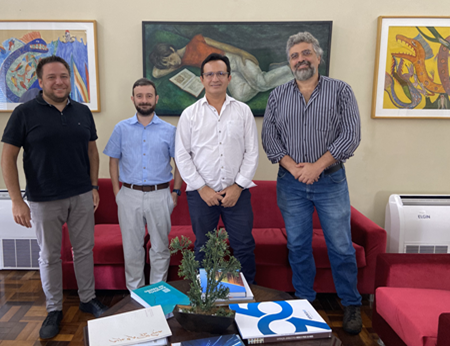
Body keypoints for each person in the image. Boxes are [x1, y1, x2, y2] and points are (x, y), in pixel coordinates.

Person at [261, 32, 362, 335]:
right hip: (291, 184)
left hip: (330, 181)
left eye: (306, 53)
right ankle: (304, 300)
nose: (300, 59)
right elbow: (269, 138)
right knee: (298, 245)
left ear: (318, 57)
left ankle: (351, 303)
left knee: (341, 246)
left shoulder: (341, 91)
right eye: (294, 56)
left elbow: (351, 135)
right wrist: (296, 169)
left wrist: (316, 167)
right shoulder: (278, 95)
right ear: (289, 62)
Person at [0, 56, 108, 340]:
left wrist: (94, 185)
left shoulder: (83, 112)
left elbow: (92, 152)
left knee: (84, 250)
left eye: (63, 76)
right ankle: (54, 310)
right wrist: (16, 200)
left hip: (82, 195)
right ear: (40, 82)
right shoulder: (23, 113)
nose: (59, 81)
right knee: (49, 256)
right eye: (52, 77)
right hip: (43, 199)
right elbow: (8, 158)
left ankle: (88, 298)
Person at [175, 53, 259, 284]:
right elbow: (182, 155)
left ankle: (245, 301)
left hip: (237, 194)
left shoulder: (243, 111)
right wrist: (202, 188)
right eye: (209, 74)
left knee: (243, 246)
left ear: (229, 78)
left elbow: (251, 153)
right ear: (201, 79)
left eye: (220, 73)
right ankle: (208, 300)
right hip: (202, 195)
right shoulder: (189, 114)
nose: (215, 79)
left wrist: (238, 186)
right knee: (204, 247)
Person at [103, 78, 183, 291]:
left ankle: (157, 294)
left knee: (160, 248)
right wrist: (116, 192)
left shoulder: (170, 130)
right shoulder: (121, 129)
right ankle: (135, 296)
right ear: (133, 99)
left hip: (160, 195)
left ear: (156, 99)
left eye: (149, 96)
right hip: (129, 195)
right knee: (132, 250)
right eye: (140, 96)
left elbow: (180, 163)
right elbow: (113, 159)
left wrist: (175, 192)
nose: (144, 100)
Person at [149, 34, 293, 102]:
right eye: (167, 64)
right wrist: (165, 62)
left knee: (261, 83)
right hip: (226, 73)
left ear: (172, 49)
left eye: (169, 59)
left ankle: (291, 69)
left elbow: (222, 46)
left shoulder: (196, 40)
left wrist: (243, 54)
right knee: (240, 96)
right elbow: (156, 73)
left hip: (234, 60)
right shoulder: (182, 61)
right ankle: (274, 71)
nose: (171, 64)